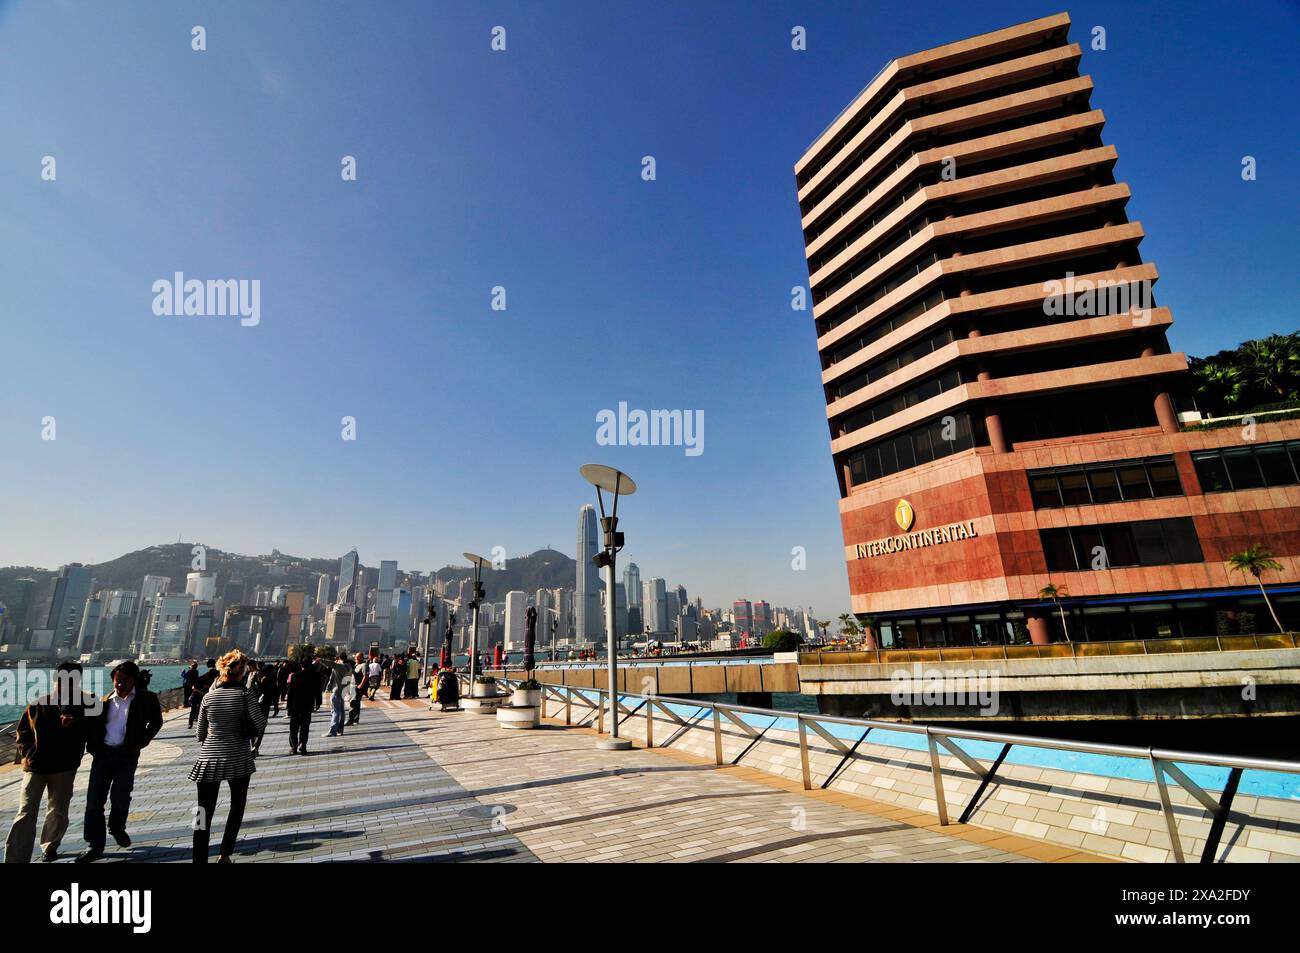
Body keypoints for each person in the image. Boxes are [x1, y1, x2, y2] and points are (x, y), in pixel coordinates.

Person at [4, 662, 94, 863]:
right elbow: (23, 732)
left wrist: (75, 723)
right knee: (26, 812)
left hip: (65, 766)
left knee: (58, 810)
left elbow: (95, 728)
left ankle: (50, 846)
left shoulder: (88, 703)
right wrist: (29, 752)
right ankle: (15, 859)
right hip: (35, 766)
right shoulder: (38, 703)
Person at [77, 660, 163, 863]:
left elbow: (156, 721)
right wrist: (93, 746)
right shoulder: (104, 701)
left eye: (124, 680)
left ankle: (117, 827)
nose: (120, 684)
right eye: (117, 680)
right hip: (103, 755)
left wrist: (141, 742)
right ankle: (94, 845)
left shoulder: (146, 699)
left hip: (127, 756)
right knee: (94, 801)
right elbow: (91, 726)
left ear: (133, 680)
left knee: (121, 796)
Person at [189, 649, 266, 863]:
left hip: (208, 758)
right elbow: (260, 724)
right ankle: (224, 854)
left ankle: (198, 857)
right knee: (237, 805)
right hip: (238, 757)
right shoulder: (245, 694)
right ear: (242, 672)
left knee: (202, 811)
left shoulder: (209, 696)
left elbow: (200, 734)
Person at [285, 657, 320, 755]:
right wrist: (318, 703)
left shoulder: (295, 676)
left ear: (301, 665)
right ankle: (303, 745)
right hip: (308, 705)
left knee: (293, 727)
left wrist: (288, 707)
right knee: (305, 726)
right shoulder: (314, 676)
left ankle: (294, 747)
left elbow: (290, 693)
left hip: (295, 705)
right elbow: (318, 691)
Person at [189, 659, 218, 730]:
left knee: (197, 710)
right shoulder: (220, 676)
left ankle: (191, 723)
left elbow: (194, 687)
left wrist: (202, 691)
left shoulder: (202, 677)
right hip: (216, 698)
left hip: (201, 697)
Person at [347, 654, 367, 726]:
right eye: (355, 657)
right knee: (356, 704)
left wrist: (361, 685)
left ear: (362, 657)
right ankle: (355, 719)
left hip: (357, 687)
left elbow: (366, 675)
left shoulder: (364, 665)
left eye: (358, 657)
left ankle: (350, 720)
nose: (356, 658)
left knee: (353, 703)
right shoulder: (356, 665)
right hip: (352, 687)